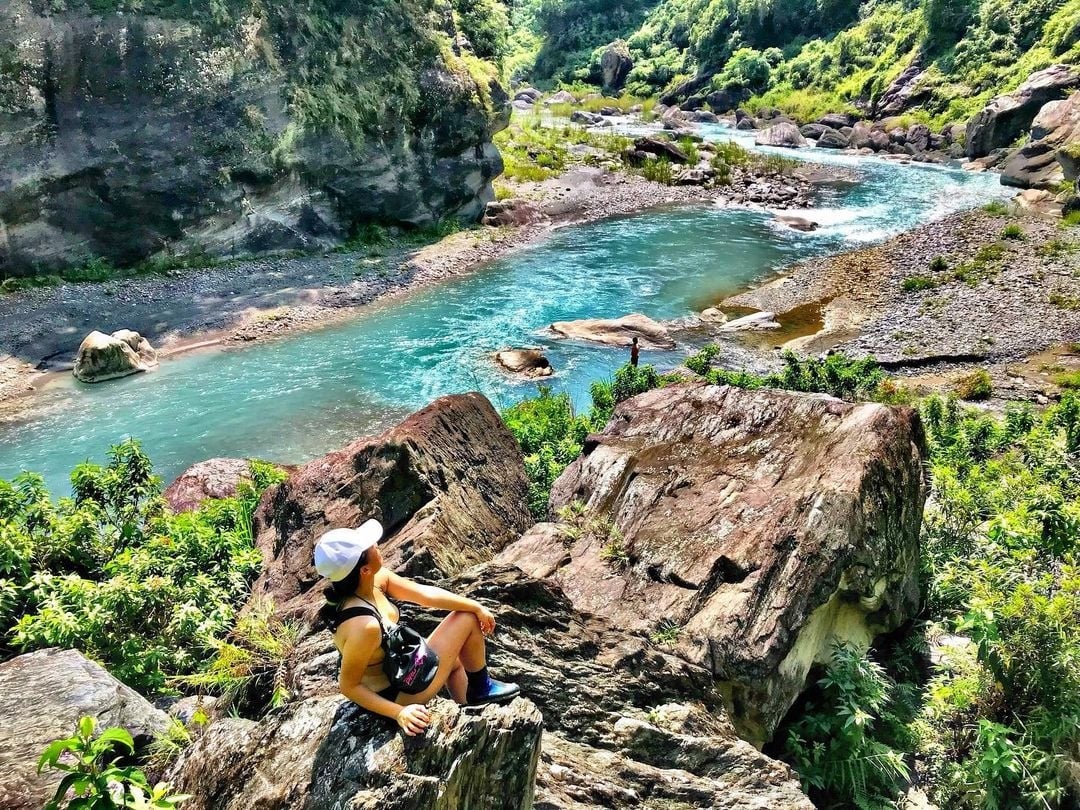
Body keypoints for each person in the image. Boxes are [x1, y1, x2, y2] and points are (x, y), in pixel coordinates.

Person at [315, 519, 520, 736]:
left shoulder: (374, 579)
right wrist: (399, 712)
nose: (378, 546)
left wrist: (475, 605)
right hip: (394, 694)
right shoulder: (364, 626)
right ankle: (481, 689)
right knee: (467, 619)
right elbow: (349, 686)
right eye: (371, 547)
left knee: (456, 661)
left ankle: (471, 710)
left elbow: (423, 594)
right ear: (364, 569)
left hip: (401, 671)